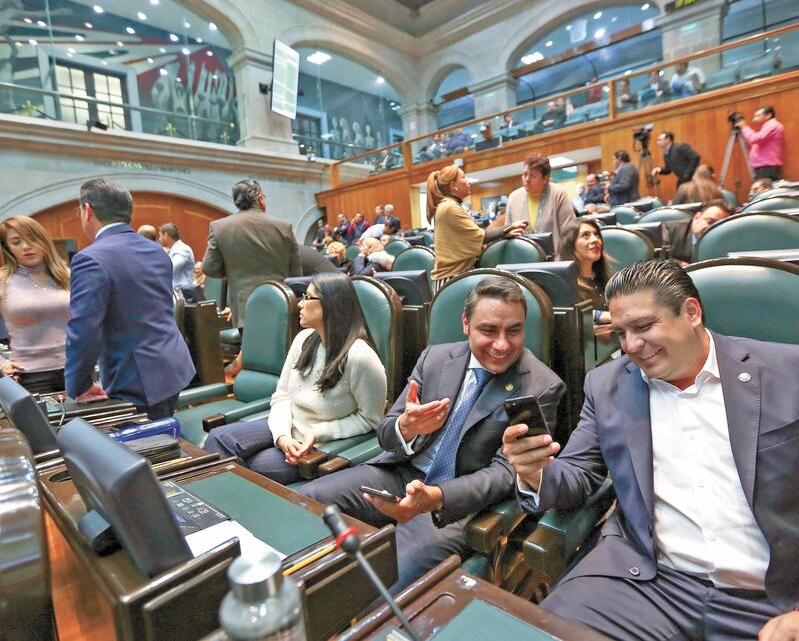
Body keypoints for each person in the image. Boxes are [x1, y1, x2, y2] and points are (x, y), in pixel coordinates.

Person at [503, 260, 799, 641]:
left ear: (691, 312)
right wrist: (534, 472)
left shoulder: (787, 372)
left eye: (644, 327)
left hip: (772, 597)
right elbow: (579, 474)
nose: (631, 346)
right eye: (621, 332)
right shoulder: (608, 384)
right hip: (648, 582)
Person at [301, 277, 566, 592]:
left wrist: (437, 498)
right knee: (306, 506)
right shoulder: (435, 358)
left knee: (384, 576)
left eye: (514, 331)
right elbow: (387, 431)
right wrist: (406, 428)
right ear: (466, 324)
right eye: (489, 330)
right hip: (398, 475)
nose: (502, 345)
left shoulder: (541, 386)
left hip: (456, 503)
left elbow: (508, 473)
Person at [204, 273, 386, 485]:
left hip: (316, 440)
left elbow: (370, 420)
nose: (300, 304)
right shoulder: (304, 339)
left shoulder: (361, 357)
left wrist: (317, 433)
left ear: (330, 305)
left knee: (248, 466)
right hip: (289, 426)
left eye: (308, 297)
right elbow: (282, 395)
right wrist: (281, 436)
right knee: (217, 438)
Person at [66, 179, 195, 415]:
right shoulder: (155, 250)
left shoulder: (90, 259)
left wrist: (79, 385)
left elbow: (84, 330)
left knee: (147, 448)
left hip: (134, 377)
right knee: (165, 436)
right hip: (172, 365)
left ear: (87, 211)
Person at [202, 179, 301, 330]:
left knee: (251, 352)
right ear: (260, 197)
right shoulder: (284, 227)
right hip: (282, 306)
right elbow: (295, 273)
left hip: (244, 309)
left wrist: (232, 271)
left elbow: (209, 268)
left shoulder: (219, 228)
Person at [0, 216, 70, 393]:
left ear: (43, 239)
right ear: (8, 248)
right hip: (29, 375)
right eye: (16, 242)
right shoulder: (3, 280)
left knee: (85, 421)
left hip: (76, 370)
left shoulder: (67, 276)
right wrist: (1, 364)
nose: (26, 246)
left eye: (32, 238)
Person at [427, 165, 526, 289]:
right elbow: (481, 236)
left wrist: (503, 233)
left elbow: (472, 237)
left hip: (455, 277)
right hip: (451, 280)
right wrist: (509, 227)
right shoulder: (449, 207)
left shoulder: (447, 205)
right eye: (463, 178)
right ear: (453, 185)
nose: (468, 182)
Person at [506, 153, 575, 250]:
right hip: (522, 260)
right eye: (525, 174)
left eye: (533, 176)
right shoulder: (513, 198)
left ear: (545, 179)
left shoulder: (559, 194)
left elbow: (569, 232)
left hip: (556, 260)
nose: (527, 180)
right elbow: (507, 233)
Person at [557, 220, 612, 324]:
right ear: (570, 245)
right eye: (585, 235)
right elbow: (573, 315)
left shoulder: (609, 279)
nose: (595, 239)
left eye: (597, 235)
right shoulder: (564, 286)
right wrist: (601, 316)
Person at [665, 199, 732, 266]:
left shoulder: (728, 242)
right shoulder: (670, 230)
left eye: (720, 226)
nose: (713, 229)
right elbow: (658, 259)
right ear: (696, 217)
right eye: (710, 222)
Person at [735, 105, 784, 180]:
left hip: (767, 167)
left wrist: (744, 127)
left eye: (758, 116)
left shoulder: (773, 126)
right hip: (764, 167)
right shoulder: (767, 126)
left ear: (768, 115)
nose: (754, 119)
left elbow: (754, 139)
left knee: (766, 191)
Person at [158, 222, 199, 300]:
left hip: (183, 295)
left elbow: (172, 267)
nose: (159, 238)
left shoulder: (182, 249)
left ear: (166, 235)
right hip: (176, 293)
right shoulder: (175, 249)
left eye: (160, 235)